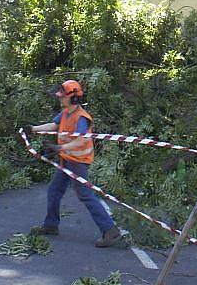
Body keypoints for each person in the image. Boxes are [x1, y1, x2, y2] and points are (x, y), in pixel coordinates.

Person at [28, 79, 125, 248]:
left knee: (85, 195)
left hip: (78, 162)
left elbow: (80, 141)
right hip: (67, 159)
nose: (59, 99)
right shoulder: (66, 113)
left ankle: (111, 232)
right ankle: (51, 225)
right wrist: (33, 129)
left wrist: (59, 147)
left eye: (62, 96)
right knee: (54, 190)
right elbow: (54, 125)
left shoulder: (82, 118)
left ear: (73, 98)